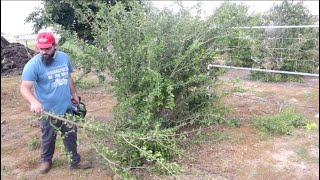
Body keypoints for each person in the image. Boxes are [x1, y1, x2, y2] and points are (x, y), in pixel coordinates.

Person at [20, 32, 92, 174]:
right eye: (41, 49)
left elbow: (68, 77)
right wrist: (34, 102)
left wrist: (75, 94)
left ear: (55, 46)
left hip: (66, 107)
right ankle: (46, 161)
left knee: (71, 135)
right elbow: (24, 87)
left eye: (47, 48)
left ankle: (74, 161)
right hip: (47, 111)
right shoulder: (33, 65)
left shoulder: (64, 58)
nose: (44, 52)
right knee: (48, 138)